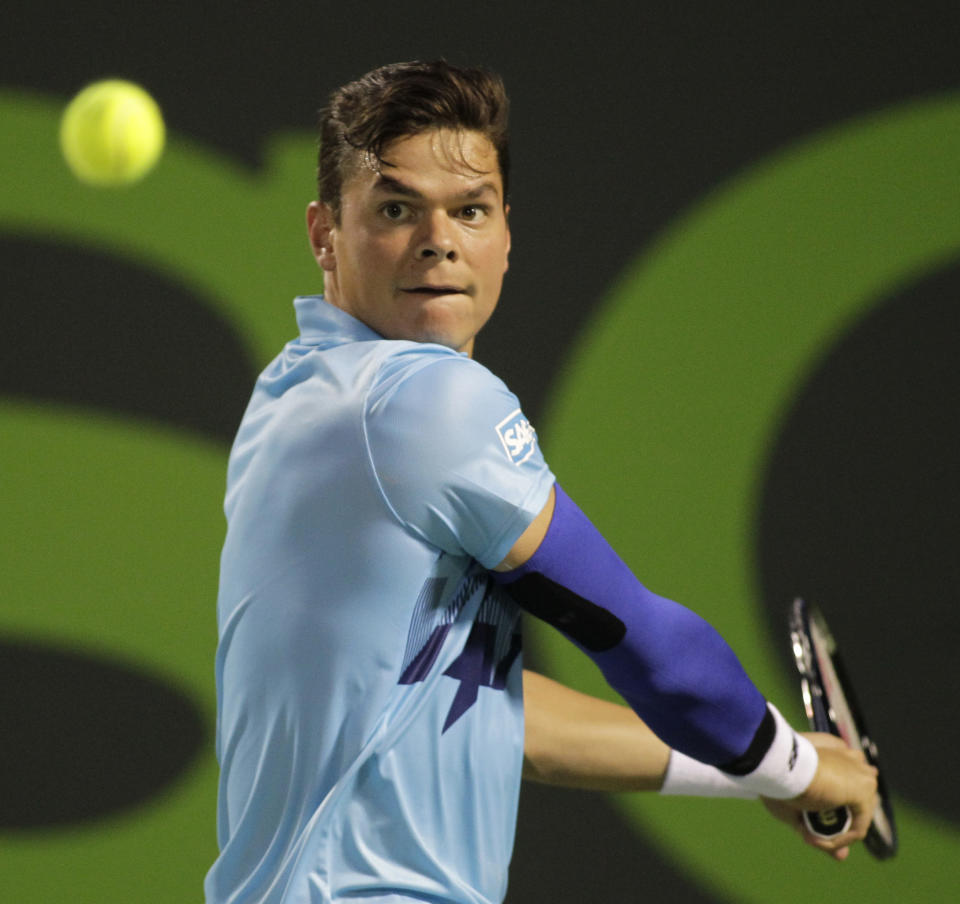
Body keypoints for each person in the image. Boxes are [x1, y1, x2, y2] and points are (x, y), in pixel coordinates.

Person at [204, 60, 878, 904]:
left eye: (469, 210)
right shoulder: (420, 400)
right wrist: (795, 762)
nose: (439, 240)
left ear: (506, 233)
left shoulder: (298, 392)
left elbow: (494, 714)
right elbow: (651, 650)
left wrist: (755, 777)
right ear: (323, 234)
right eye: (396, 209)